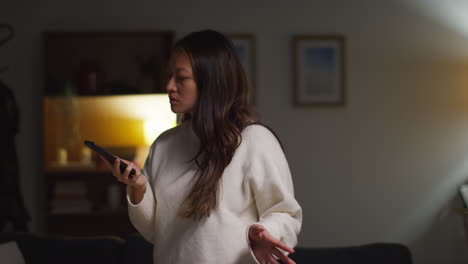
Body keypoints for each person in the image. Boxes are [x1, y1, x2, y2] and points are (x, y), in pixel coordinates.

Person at [100, 29, 302, 264]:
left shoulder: (255, 141)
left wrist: (265, 232)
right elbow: (156, 232)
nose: (169, 86)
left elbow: (286, 213)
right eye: (169, 76)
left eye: (181, 78)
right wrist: (138, 188)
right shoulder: (163, 145)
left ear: (210, 82)